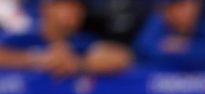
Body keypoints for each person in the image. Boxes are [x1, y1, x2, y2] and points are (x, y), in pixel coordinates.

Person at [0, 0, 133, 76]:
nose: (75, 13)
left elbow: (122, 57)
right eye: (68, 6)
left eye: (79, 8)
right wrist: (39, 59)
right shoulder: (26, 31)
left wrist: (78, 63)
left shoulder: (78, 41)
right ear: (48, 8)